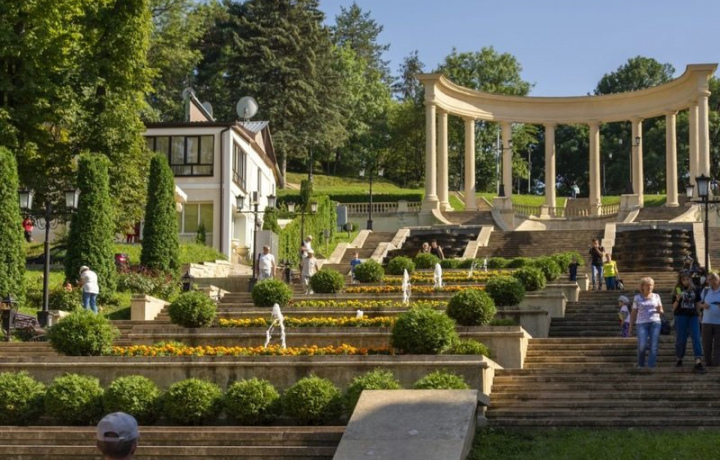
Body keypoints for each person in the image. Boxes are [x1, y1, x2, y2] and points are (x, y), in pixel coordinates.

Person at [672, 270, 705, 372]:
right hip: (681, 316)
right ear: (680, 280)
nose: (686, 281)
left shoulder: (696, 289)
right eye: (684, 279)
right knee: (681, 338)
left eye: (688, 279)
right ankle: (679, 358)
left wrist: (699, 315)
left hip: (693, 316)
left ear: (690, 279)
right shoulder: (678, 289)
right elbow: (674, 307)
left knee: (696, 337)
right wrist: (678, 299)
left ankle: (698, 361)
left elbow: (698, 304)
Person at [628, 277, 664, 368]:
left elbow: (661, 311)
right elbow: (633, 312)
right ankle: (641, 365)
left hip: (655, 322)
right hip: (641, 323)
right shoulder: (637, 298)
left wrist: (660, 310)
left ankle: (651, 366)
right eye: (647, 285)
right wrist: (630, 327)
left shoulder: (656, 296)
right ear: (642, 286)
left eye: (651, 285)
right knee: (642, 345)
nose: (649, 287)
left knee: (653, 346)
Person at [699, 272, 720, 367]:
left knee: (718, 344)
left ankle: (716, 363)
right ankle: (708, 362)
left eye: (710, 279)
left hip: (719, 322)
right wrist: (703, 306)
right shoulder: (706, 290)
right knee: (706, 344)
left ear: (717, 280)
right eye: (708, 280)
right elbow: (698, 303)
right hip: (706, 321)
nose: (708, 282)